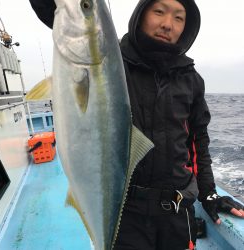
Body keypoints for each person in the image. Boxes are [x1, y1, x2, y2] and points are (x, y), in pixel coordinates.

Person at [29, 0, 244, 249]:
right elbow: (61, 15)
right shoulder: (113, 62)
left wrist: (209, 194)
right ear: (141, 15)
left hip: (176, 211)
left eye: (178, 18)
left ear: (187, 26)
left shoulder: (191, 79)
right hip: (126, 209)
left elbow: (198, 144)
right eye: (159, 12)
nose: (167, 24)